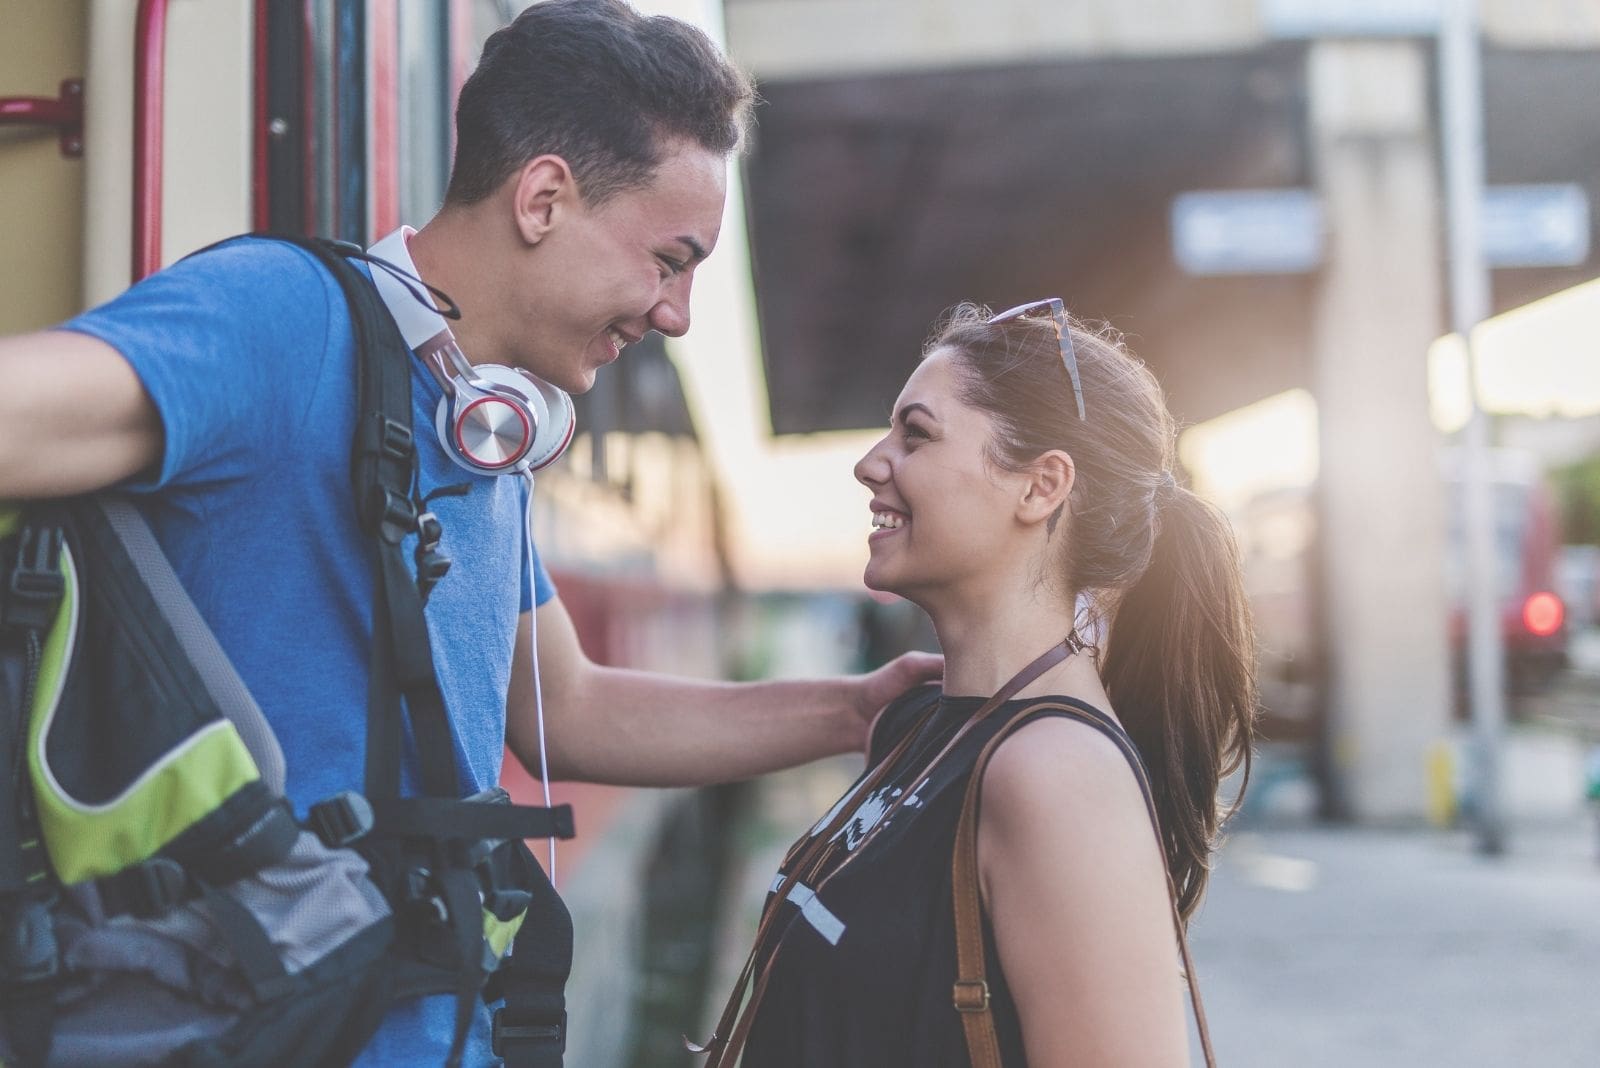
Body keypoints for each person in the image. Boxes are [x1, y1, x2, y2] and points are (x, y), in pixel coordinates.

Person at [0, 1, 938, 1063]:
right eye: (669, 260)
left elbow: (567, 710)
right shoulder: (280, 320)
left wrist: (856, 711)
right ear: (543, 196)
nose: (674, 310)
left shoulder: (480, 429)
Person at [709, 301, 1258, 1066]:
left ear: (1041, 487)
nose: (871, 463)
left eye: (917, 434)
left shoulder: (1057, 775)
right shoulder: (919, 731)